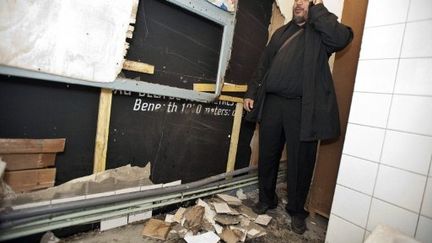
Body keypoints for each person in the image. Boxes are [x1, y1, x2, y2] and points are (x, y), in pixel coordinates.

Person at [243, 0, 353, 235]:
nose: (298, 3)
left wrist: (319, 9)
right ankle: (266, 199)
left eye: (305, 0)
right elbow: (264, 64)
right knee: (268, 154)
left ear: (313, 5)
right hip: (272, 103)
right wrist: (251, 92)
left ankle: (296, 210)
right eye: (296, 0)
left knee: (301, 161)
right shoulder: (281, 33)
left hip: (303, 108)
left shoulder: (320, 33)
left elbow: (342, 39)